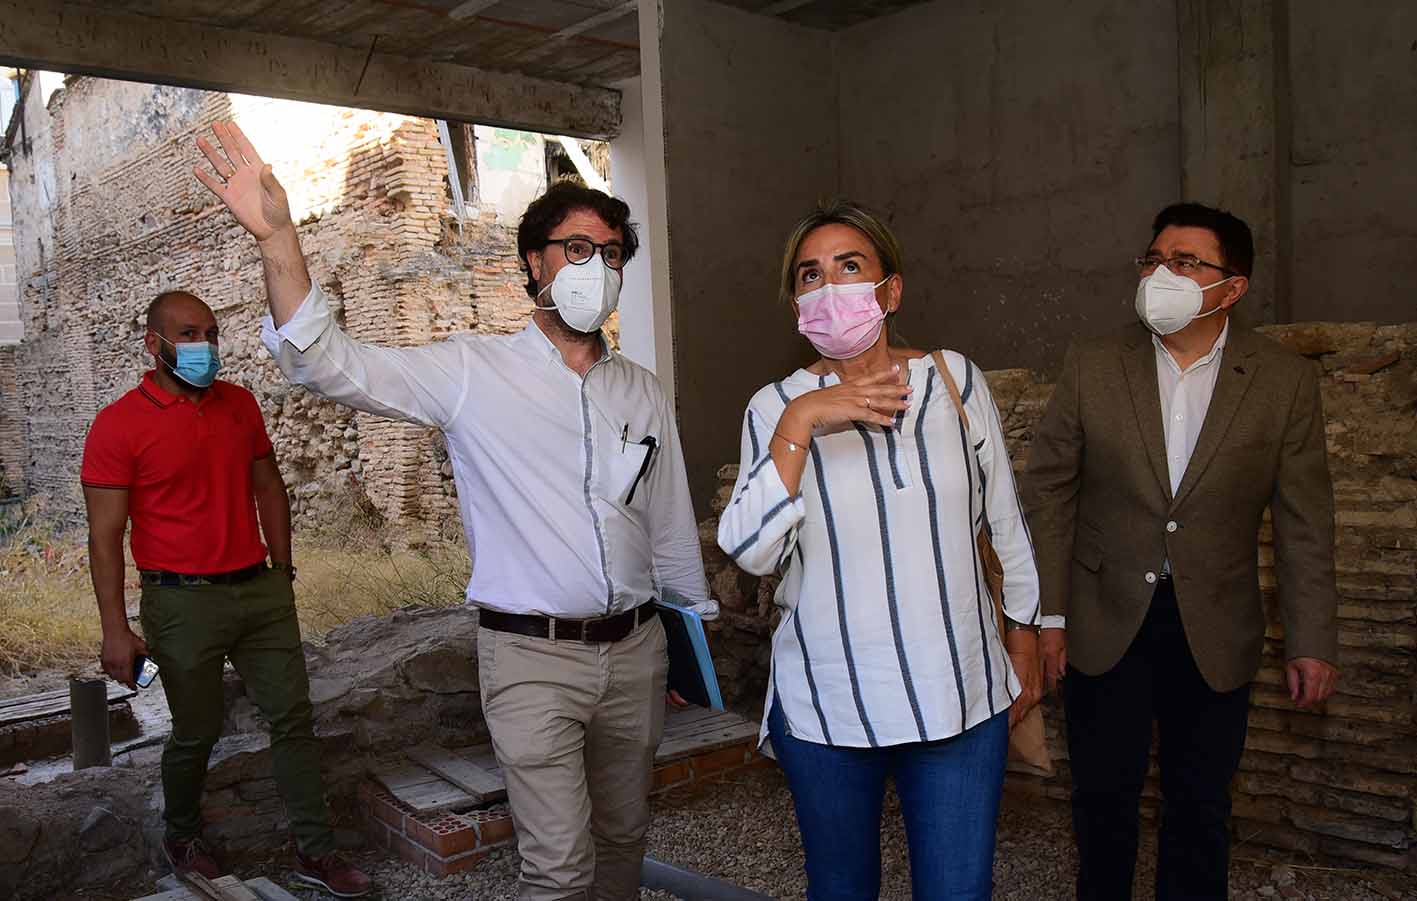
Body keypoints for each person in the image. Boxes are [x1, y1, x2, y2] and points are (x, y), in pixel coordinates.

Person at [193, 121, 708, 901]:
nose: (593, 267)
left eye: (608, 254)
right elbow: (328, 363)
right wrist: (279, 241)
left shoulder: (639, 389)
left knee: (623, 839)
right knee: (558, 868)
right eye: (575, 248)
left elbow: (666, 521)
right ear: (532, 262)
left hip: (637, 653)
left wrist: (685, 636)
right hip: (532, 659)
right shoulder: (474, 371)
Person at [717, 200, 1042, 901]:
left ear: (890, 290)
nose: (828, 286)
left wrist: (1025, 634)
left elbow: (1004, 520)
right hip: (828, 704)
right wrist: (804, 421)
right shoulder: (774, 406)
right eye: (809, 274)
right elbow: (750, 550)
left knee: (957, 892)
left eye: (849, 266)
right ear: (796, 301)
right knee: (840, 891)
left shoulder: (954, 379)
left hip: (958, 693)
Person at [1023, 203, 1340, 900]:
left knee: (1200, 805)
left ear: (1231, 287)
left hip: (1215, 621)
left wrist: (1310, 639)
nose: (1160, 273)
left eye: (1185, 261)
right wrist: (1048, 615)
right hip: (1106, 618)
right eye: (1153, 258)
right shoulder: (1093, 364)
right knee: (1103, 797)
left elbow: (1304, 519)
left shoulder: (1283, 380)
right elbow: (1048, 492)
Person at [82, 291, 370, 896]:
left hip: (259, 592)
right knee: (195, 728)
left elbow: (268, 486)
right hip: (182, 603)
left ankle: (314, 852)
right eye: (188, 335)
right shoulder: (118, 425)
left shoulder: (238, 404)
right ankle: (183, 836)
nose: (204, 347)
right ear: (153, 344)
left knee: (293, 718)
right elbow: (105, 537)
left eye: (211, 334)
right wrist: (115, 628)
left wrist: (282, 572)